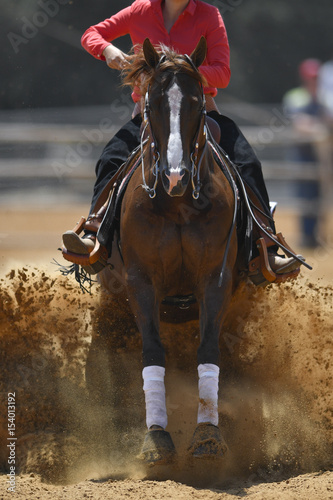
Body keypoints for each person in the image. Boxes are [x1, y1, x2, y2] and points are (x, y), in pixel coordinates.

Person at [62, 0, 300, 278]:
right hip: (151, 117)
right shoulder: (140, 9)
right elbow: (91, 34)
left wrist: (178, 72)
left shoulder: (209, 15)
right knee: (110, 158)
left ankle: (266, 248)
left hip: (199, 114)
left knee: (247, 162)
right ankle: (94, 236)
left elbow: (222, 73)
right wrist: (107, 49)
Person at [282, 59, 323, 248]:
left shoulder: (325, 97)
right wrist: (318, 129)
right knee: (305, 194)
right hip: (302, 153)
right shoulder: (296, 97)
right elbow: (299, 123)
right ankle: (307, 236)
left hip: (321, 154)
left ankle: (317, 235)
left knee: (318, 195)